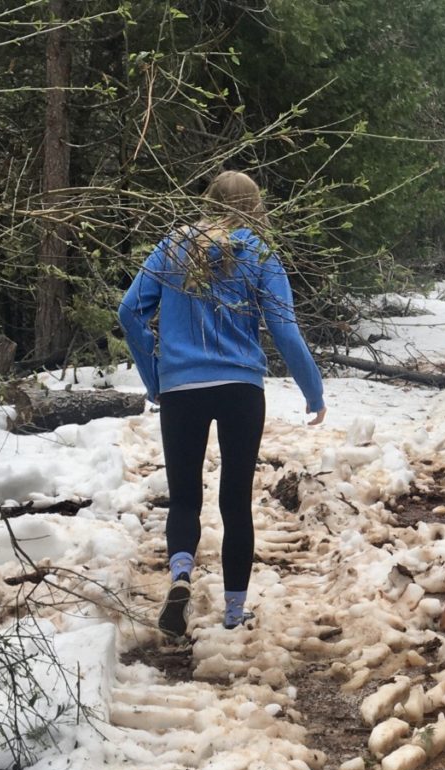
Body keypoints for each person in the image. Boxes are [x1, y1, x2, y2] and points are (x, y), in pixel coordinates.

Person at [118, 170, 327, 638]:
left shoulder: (173, 247)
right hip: (240, 389)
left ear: (208, 201)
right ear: (255, 207)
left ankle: (181, 575)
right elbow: (284, 328)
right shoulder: (259, 254)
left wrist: (155, 376)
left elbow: (129, 311)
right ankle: (234, 611)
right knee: (235, 500)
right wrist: (312, 390)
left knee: (184, 497)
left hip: (181, 390)